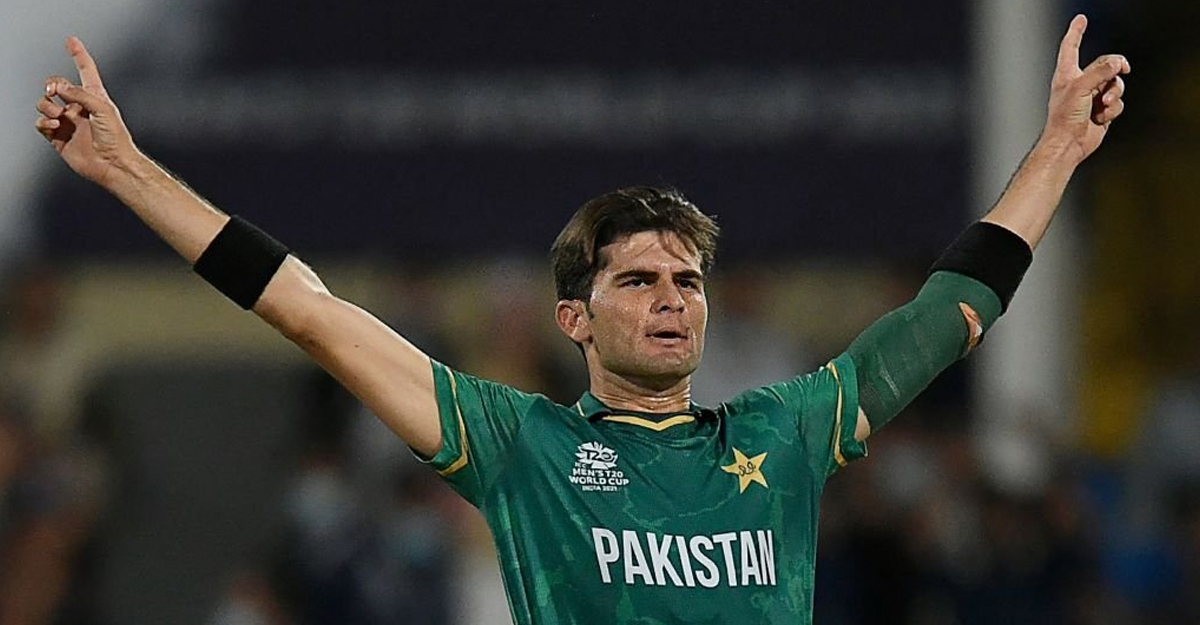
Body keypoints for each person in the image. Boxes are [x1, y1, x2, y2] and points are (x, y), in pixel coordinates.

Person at [34, 14, 1128, 624]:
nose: (672, 297)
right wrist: (128, 172)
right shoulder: (521, 446)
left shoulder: (785, 434)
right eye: (639, 280)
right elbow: (310, 312)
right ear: (574, 315)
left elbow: (950, 310)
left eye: (688, 280)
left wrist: (1058, 150)